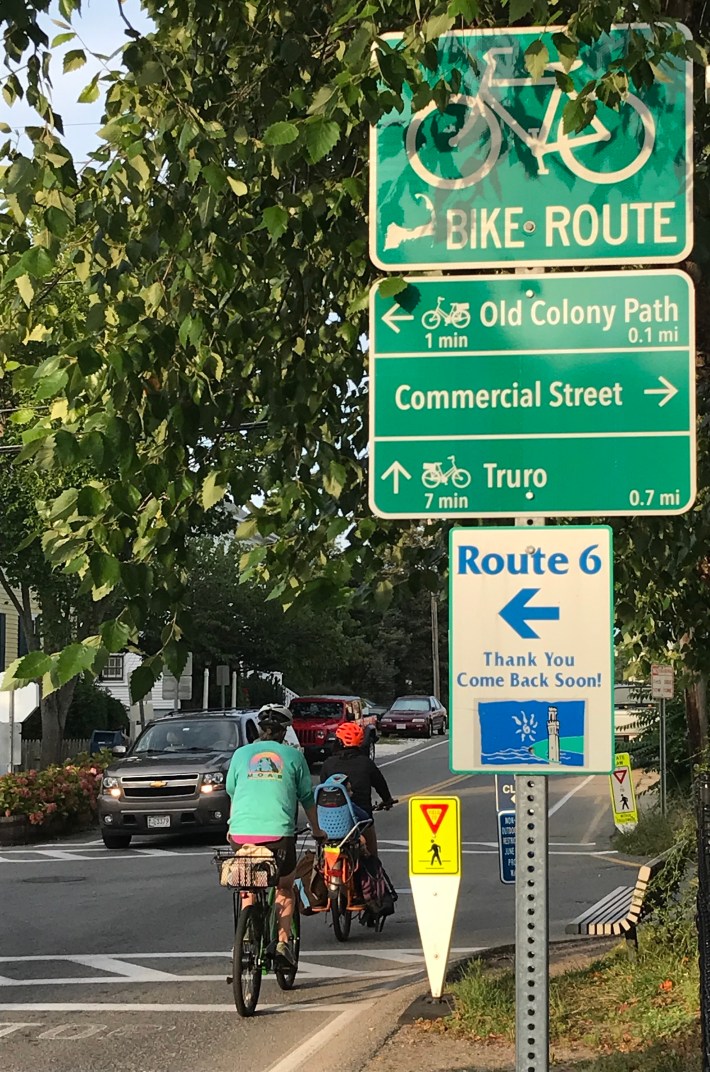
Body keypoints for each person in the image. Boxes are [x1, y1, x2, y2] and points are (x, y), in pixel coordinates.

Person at [226, 703, 326, 966]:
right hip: (278, 836)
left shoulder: (241, 754)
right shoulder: (293, 757)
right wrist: (317, 831)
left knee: (249, 884)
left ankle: (248, 932)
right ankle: (282, 943)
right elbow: (306, 798)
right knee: (284, 887)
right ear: (285, 731)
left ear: (260, 729)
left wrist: (230, 827)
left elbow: (233, 792)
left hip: (240, 834)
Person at [319, 722, 395, 856]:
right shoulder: (366, 763)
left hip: (332, 823)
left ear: (339, 742)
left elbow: (324, 790)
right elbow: (381, 785)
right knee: (372, 857)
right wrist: (387, 800)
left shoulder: (328, 764)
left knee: (322, 856)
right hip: (362, 822)